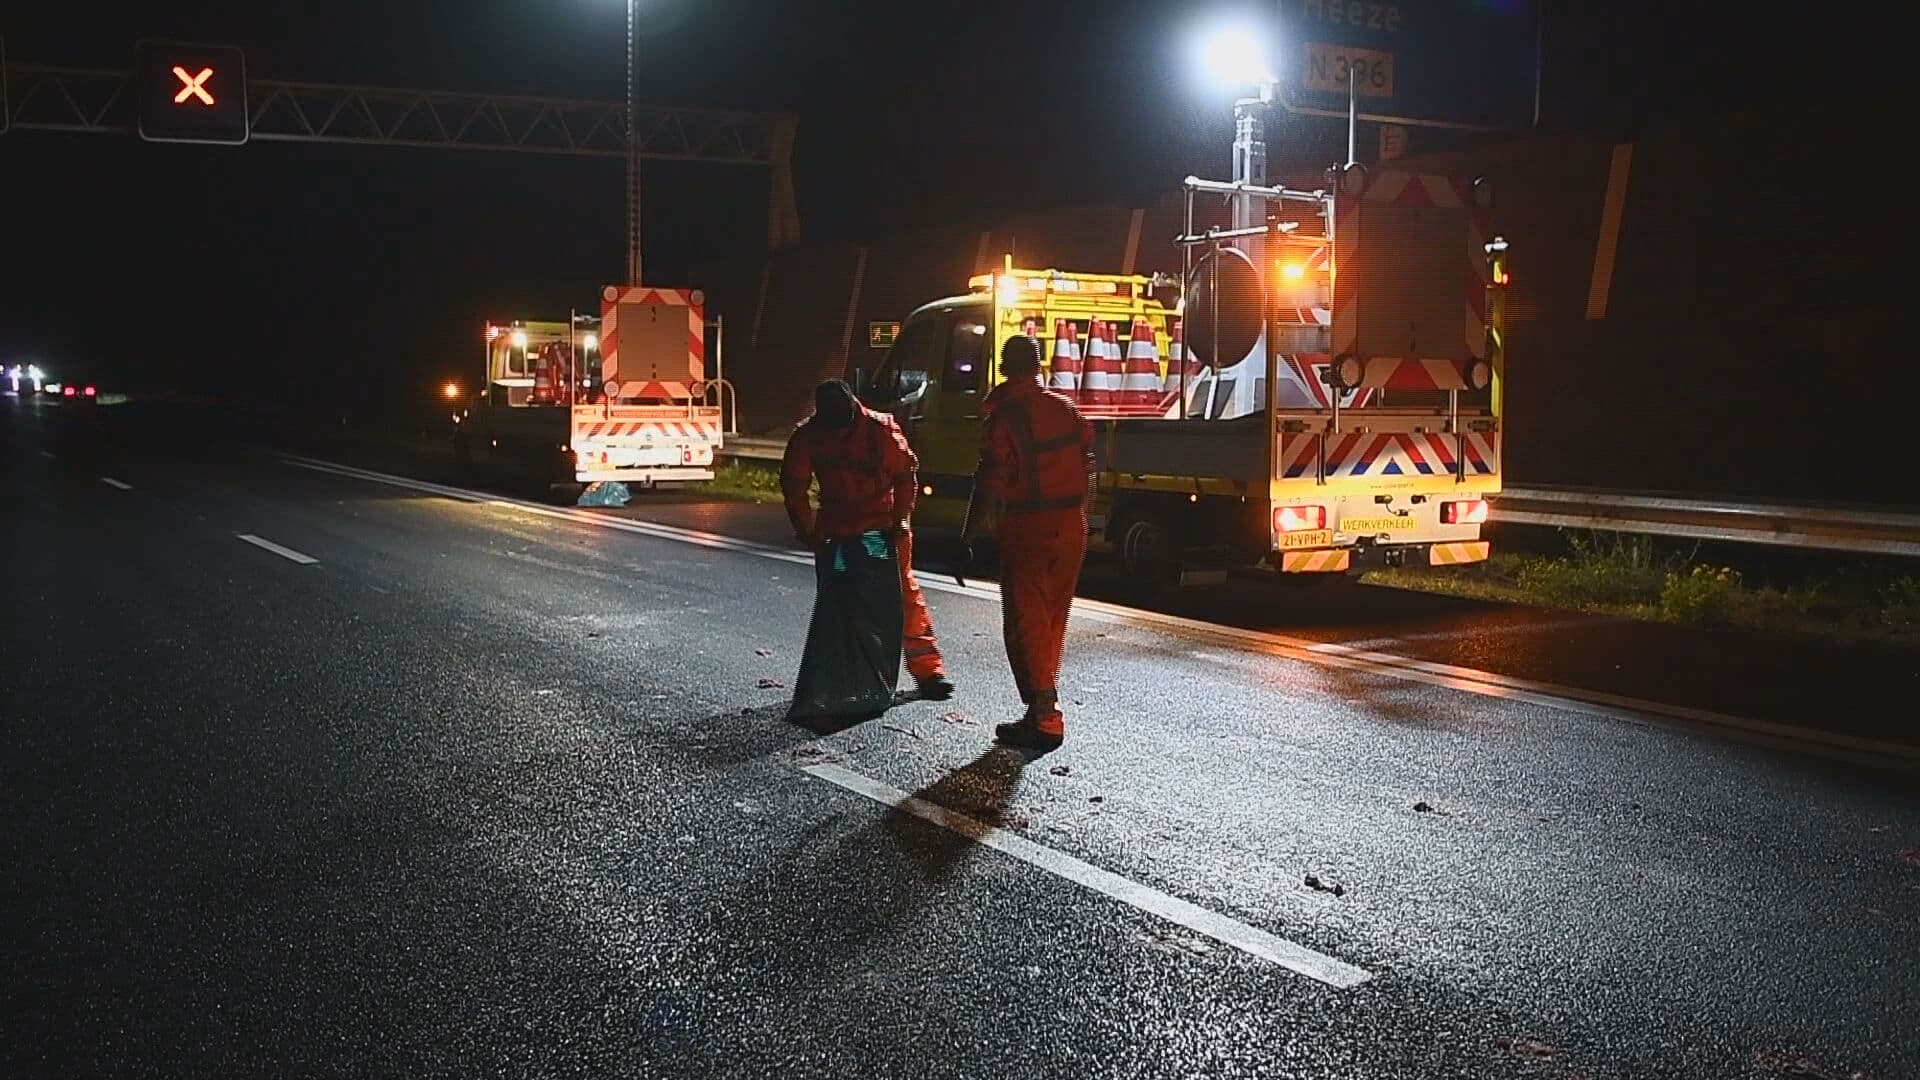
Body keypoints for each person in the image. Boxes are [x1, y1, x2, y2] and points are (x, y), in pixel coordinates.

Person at [782, 380, 954, 702]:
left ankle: (928, 672)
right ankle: (853, 678)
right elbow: (794, 488)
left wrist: (901, 520)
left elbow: (905, 476)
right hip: (848, 533)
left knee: (898, 595)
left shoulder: (878, 430)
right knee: (844, 603)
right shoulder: (814, 435)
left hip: (876, 531)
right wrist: (808, 530)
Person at [964, 336, 1094, 749]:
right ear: (1037, 367)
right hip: (1071, 525)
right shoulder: (1065, 409)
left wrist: (970, 533)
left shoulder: (1006, 417)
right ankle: (1039, 707)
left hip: (1029, 527)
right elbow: (1088, 464)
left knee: (1026, 622)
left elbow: (990, 479)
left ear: (1004, 367)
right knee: (1052, 619)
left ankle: (1044, 715)